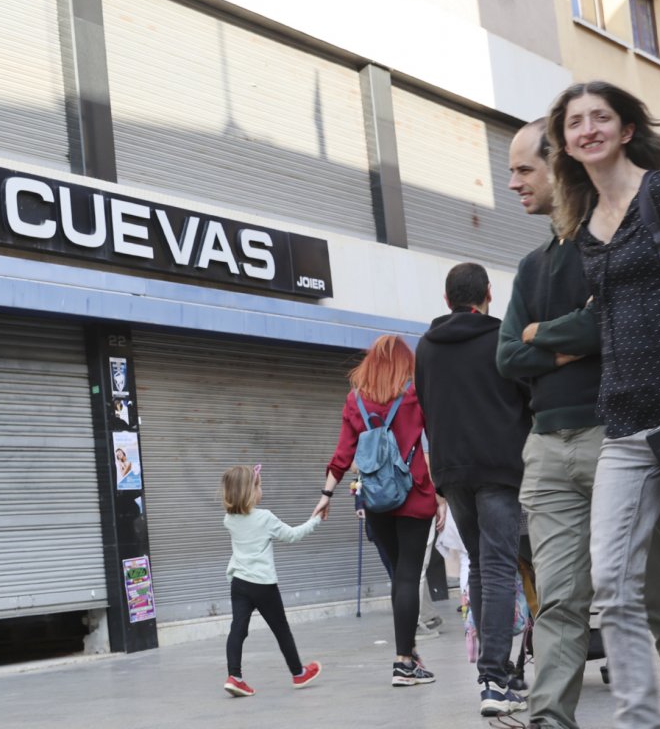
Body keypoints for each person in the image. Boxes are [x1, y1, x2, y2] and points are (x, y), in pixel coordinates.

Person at [548, 80, 660, 729]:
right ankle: (639, 719)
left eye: (600, 117)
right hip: (626, 423)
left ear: (626, 129)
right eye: (575, 122)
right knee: (610, 583)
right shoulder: (583, 228)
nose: (588, 129)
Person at [415, 263, 532, 717]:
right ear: (488, 293)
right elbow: (527, 395)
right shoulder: (502, 337)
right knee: (501, 568)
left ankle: (491, 674)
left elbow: (426, 406)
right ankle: (496, 680)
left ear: (447, 300)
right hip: (500, 468)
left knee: (481, 567)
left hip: (453, 471)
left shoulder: (426, 347)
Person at [313, 335, 443, 687]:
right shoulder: (415, 395)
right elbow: (439, 442)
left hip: (376, 502)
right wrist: (443, 496)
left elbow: (343, 452)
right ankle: (404, 662)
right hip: (415, 496)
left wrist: (327, 493)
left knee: (398, 578)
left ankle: (409, 655)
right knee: (407, 577)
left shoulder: (356, 399)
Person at [221, 464, 322, 697]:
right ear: (250, 491)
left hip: (239, 583)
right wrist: (315, 519)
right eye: (259, 485)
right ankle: (298, 673)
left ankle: (234, 677)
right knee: (281, 630)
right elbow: (293, 536)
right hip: (263, 585)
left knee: (238, 629)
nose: (261, 489)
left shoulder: (229, 519)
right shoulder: (265, 518)